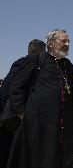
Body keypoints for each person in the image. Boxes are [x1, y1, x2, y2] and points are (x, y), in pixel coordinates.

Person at [7, 29, 73, 168]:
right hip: (37, 126)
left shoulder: (68, 66)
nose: (67, 44)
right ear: (50, 43)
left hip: (61, 127)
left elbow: (71, 95)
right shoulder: (37, 60)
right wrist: (21, 113)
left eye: (68, 41)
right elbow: (16, 87)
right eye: (63, 41)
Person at [0, 39, 46, 168]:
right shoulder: (25, 63)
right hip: (13, 119)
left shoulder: (23, 62)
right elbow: (8, 88)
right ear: (42, 52)